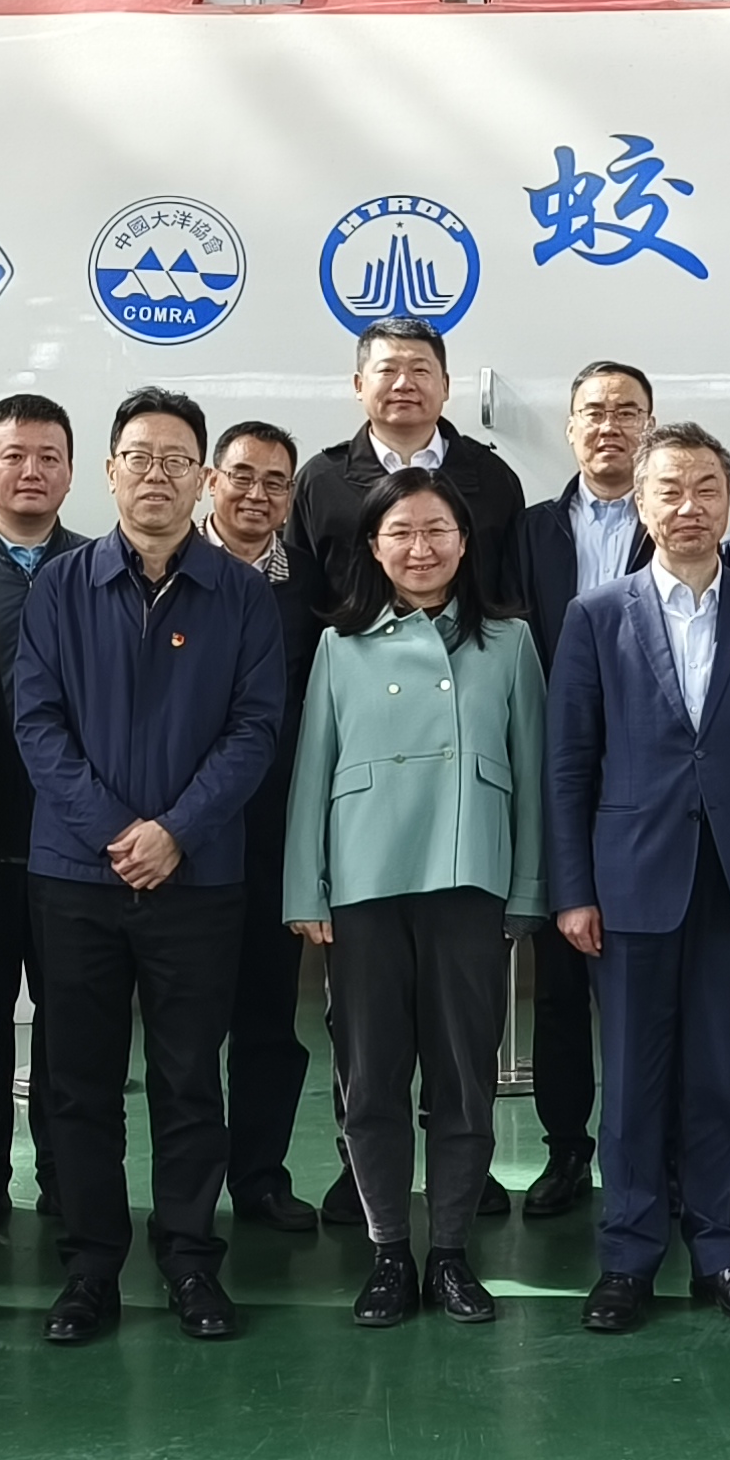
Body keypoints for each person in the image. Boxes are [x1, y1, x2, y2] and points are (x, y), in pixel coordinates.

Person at [11, 388, 289, 1346]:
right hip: (75, 877)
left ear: (202, 478)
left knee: (187, 1079)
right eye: (139, 457)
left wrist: (175, 831)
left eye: (176, 460)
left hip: (198, 878)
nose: (156, 475)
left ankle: (189, 1258)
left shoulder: (243, 596)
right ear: (110, 470)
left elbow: (255, 730)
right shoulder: (60, 587)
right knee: (78, 1081)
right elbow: (37, 725)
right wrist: (115, 832)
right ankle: (90, 1266)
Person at [546, 422, 730, 1334]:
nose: (689, 506)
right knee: (630, 1078)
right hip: (629, 881)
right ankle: (627, 1257)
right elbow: (569, 765)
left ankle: (722, 1251)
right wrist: (573, 888)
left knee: (719, 1075)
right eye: (669, 490)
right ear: (642, 503)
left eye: (706, 488)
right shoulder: (596, 615)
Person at [282, 469, 547, 1328]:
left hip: (469, 877)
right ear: (373, 546)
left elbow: (534, 776)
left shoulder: (509, 642)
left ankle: (452, 1253)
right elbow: (312, 771)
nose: (420, 549)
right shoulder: (339, 645)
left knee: (465, 1079)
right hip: (365, 880)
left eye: (437, 531)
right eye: (400, 533)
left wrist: (529, 891)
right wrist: (306, 886)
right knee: (369, 1080)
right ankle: (390, 1250)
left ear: (465, 544)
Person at [509, 360, 657, 1215]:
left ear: (650, 427)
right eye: (593, 412)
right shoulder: (529, 531)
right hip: (555, 771)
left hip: (653, 778)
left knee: (653, 979)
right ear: (570, 429)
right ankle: (566, 1149)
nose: (610, 426)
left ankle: (656, 1149)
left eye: (627, 411)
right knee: (562, 978)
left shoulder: (673, 521)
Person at [0, 393, 84, 1243]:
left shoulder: (99, 567)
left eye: (48, 456)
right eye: (14, 455)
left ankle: (66, 1174)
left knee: (71, 1023)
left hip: (74, 842)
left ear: (72, 471)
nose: (31, 471)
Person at [204, 420, 326, 1235]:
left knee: (268, 1019)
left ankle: (259, 1178)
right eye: (242, 476)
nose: (257, 494)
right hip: (181, 834)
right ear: (211, 480)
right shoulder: (172, 565)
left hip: (274, 832)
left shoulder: (311, 586)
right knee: (182, 1031)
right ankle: (184, 1192)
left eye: (276, 482)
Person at [286, 316, 533, 625]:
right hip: (353, 651)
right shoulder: (321, 481)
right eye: (387, 371)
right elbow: (299, 594)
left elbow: (512, 591)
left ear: (445, 386)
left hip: (470, 650)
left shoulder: (492, 477)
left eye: (420, 370)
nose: (404, 384)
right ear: (359, 385)